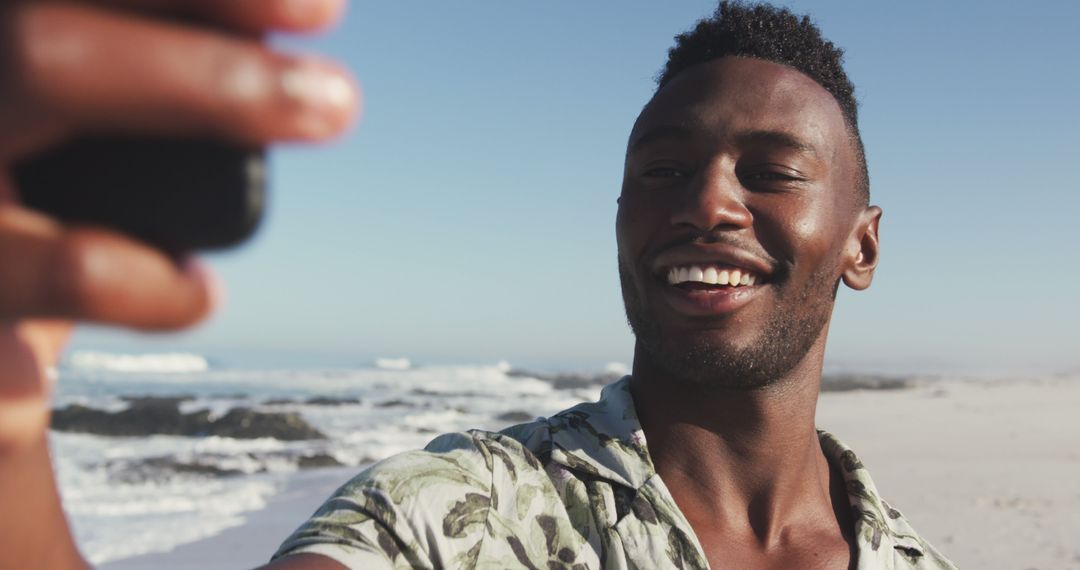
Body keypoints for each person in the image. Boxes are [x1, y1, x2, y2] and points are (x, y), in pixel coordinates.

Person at [0, 1, 955, 569]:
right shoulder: (452, 518)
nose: (707, 201)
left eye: (771, 171)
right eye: (663, 171)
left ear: (860, 248)